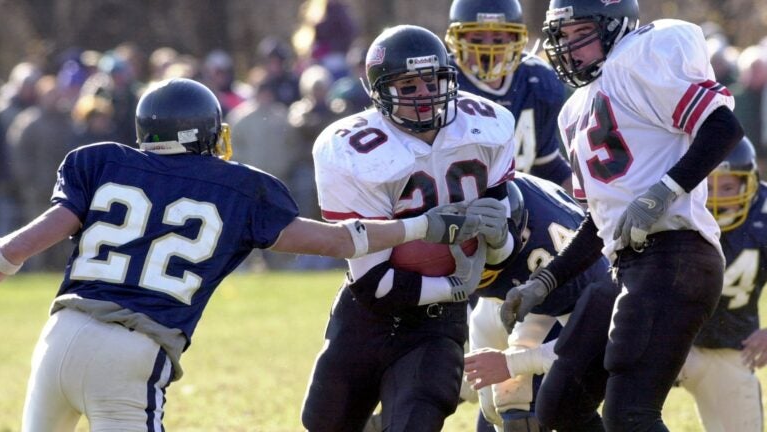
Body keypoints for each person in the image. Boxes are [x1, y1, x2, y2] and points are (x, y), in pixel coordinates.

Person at [3, 77, 497, 431]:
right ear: (207, 133)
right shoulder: (238, 189)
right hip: (134, 348)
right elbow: (339, 241)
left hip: (58, 337)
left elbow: (19, 248)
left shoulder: (101, 162)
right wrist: (422, 224)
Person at [499, 1, 745, 430]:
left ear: (616, 27)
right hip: (626, 266)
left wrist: (662, 193)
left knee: (630, 413)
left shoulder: (643, 54)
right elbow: (601, 220)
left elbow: (723, 128)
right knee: (560, 405)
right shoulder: (573, 109)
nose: (570, 49)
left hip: (676, 254)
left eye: (582, 35)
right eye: (564, 37)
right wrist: (546, 279)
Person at [301, 25, 518, 432]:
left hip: (436, 323)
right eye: (408, 85)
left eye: (432, 80)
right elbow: (373, 284)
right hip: (367, 315)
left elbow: (503, 243)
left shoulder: (488, 124)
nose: (425, 95)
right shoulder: (349, 149)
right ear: (381, 91)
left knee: (414, 421)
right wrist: (458, 286)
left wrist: (501, 238)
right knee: (323, 423)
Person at [463, 174, 614, 432]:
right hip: (503, 298)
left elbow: (592, 350)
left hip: (556, 299)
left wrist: (512, 363)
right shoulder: (478, 184)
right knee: (492, 409)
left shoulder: (559, 259)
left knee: (531, 411)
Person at [675, 136, 766, 432]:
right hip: (665, 342)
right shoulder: (673, 208)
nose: (716, 199)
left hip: (730, 347)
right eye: (708, 186)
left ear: (749, 182)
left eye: (727, 187)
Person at [445, 0, 572, 190]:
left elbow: (547, 164)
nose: (488, 49)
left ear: (515, 39)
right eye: (477, 39)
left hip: (523, 199)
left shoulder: (538, 80)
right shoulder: (441, 84)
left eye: (498, 39)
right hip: (455, 202)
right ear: (458, 40)